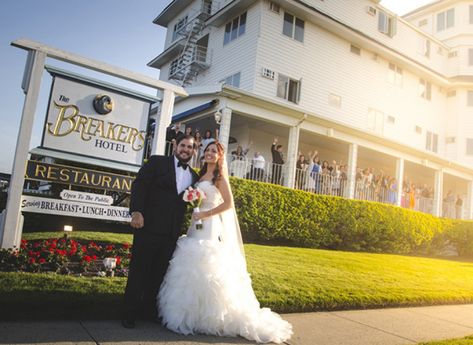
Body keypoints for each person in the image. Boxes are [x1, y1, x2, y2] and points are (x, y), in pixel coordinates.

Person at [158, 141, 293, 343]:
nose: (210, 153)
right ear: (203, 154)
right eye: (208, 150)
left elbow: (228, 204)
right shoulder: (199, 175)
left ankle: (212, 318)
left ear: (220, 157)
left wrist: (205, 213)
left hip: (210, 225)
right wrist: (195, 208)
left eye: (215, 151)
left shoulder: (219, 178)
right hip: (196, 225)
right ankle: (191, 316)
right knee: (190, 264)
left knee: (207, 264)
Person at [122, 135, 199, 329]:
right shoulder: (157, 162)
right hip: (147, 227)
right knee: (139, 271)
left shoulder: (194, 177)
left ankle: (147, 311)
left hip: (171, 233)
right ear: (175, 145)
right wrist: (137, 211)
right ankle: (128, 313)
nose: (186, 150)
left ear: (193, 151)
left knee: (158, 274)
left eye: (190, 147)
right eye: (183, 145)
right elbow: (139, 185)